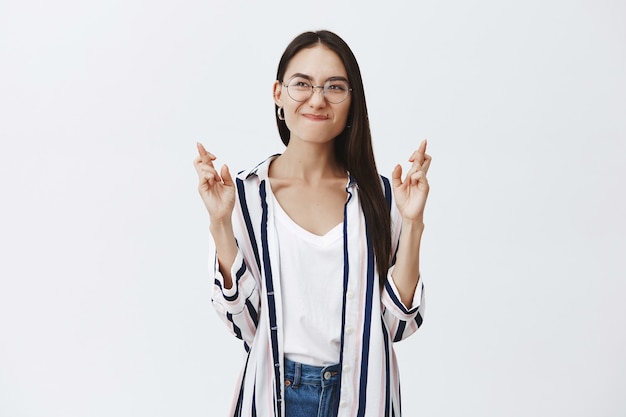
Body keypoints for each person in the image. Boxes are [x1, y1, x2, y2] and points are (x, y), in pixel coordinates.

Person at [193, 29, 431, 417]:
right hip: (275, 396)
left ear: (352, 101)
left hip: (360, 396)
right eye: (302, 84)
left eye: (335, 87)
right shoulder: (242, 196)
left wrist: (413, 222)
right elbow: (247, 326)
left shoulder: (383, 197)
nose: (317, 99)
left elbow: (397, 325)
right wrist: (221, 223)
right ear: (278, 94)